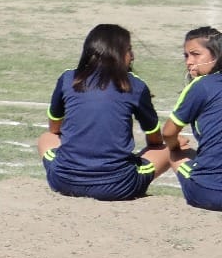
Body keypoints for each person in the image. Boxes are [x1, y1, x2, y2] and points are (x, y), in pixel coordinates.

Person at [36, 23, 172, 201]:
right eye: (129, 50)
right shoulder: (136, 85)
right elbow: (154, 139)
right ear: (117, 53)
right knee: (177, 145)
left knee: (46, 138)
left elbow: (54, 128)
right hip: (117, 186)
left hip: (63, 181)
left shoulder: (68, 78)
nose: (133, 56)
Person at [161, 27, 222, 211]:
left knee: (176, 149)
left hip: (209, 193)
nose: (189, 62)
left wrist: (174, 146)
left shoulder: (201, 86)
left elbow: (168, 132)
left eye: (195, 54)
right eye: (186, 56)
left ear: (217, 55)